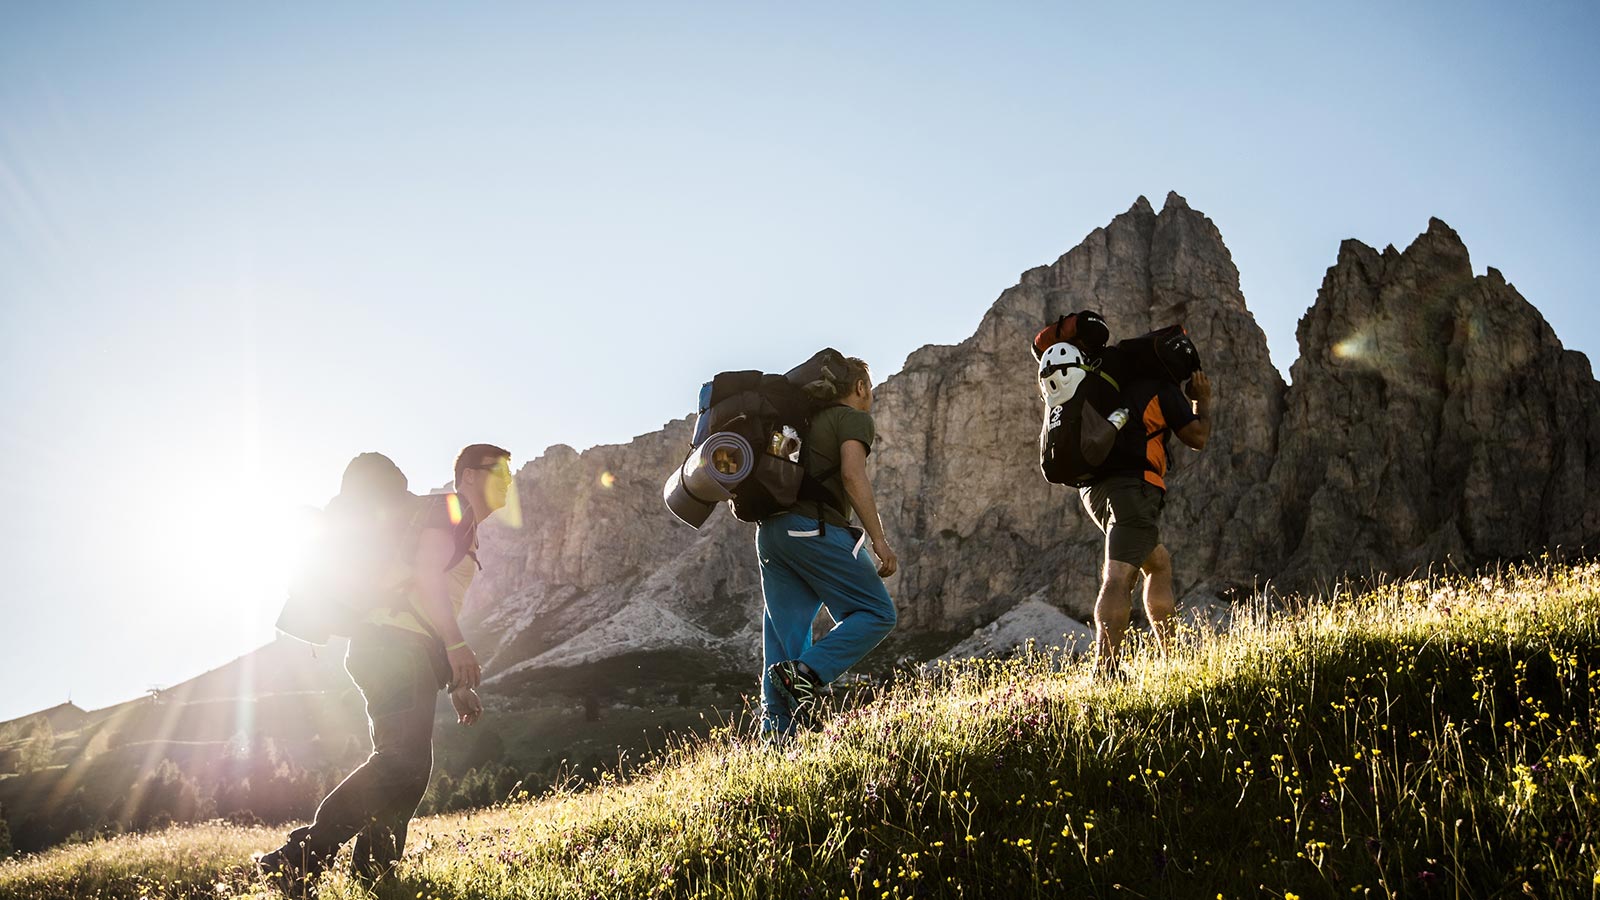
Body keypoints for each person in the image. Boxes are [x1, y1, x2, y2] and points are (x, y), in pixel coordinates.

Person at [257, 443, 513, 894]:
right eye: (500, 473)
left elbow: (419, 598)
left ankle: (373, 872)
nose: (509, 483)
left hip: (398, 648)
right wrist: (456, 645)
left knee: (410, 768)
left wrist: (452, 679)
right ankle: (299, 859)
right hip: (394, 648)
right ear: (469, 476)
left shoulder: (458, 523)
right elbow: (427, 576)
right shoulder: (453, 509)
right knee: (400, 762)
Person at [760, 357, 899, 738]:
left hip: (771, 534)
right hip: (814, 529)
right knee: (876, 613)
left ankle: (777, 738)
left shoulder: (800, 421)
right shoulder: (852, 418)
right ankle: (807, 673)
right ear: (859, 388)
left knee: (784, 636)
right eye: (869, 387)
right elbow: (853, 477)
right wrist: (879, 540)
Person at [1080, 370, 1211, 675]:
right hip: (1132, 487)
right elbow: (1197, 437)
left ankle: (1172, 660)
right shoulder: (1158, 388)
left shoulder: (1111, 383)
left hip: (1093, 490)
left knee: (1158, 563)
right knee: (1119, 575)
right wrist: (1201, 400)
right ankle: (1105, 672)